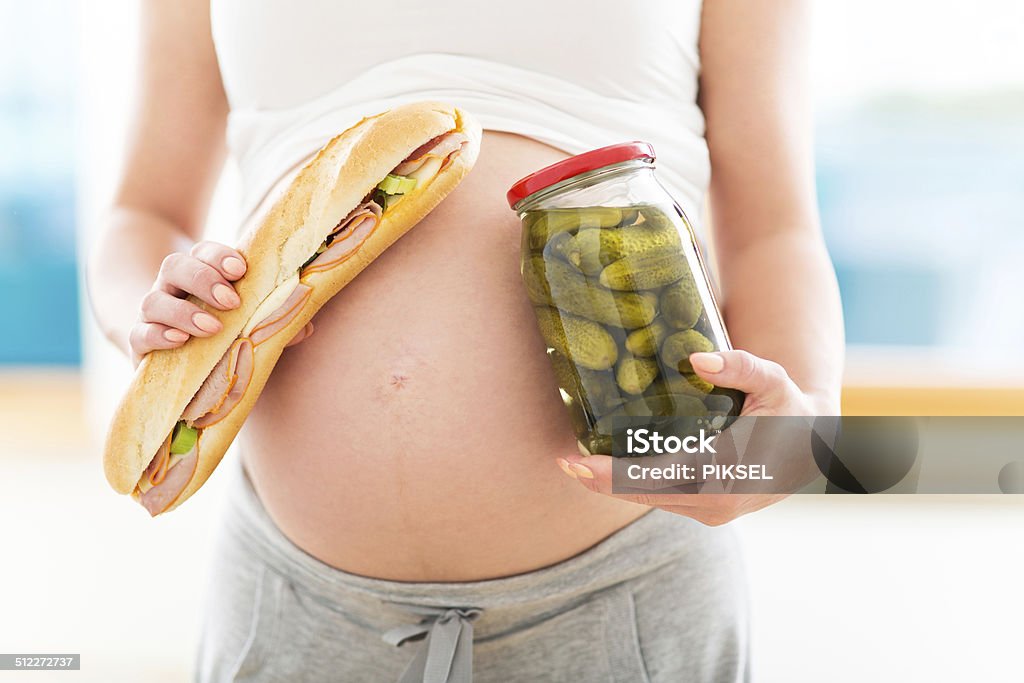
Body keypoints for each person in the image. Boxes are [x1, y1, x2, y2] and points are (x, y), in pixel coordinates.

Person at [87, 0, 843, 680]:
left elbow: (775, 227)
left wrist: (793, 432)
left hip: (625, 594)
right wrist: (150, 313)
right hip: (297, 599)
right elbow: (142, 213)